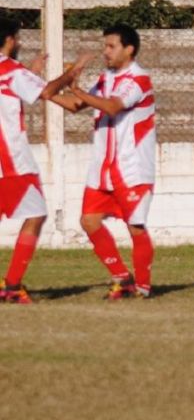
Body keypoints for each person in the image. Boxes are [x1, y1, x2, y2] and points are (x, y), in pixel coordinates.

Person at [57, 24, 156, 300]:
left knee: (135, 227)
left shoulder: (139, 80)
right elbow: (78, 105)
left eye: (111, 46)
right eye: (105, 46)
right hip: (103, 168)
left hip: (131, 168)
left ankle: (143, 288)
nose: (105, 52)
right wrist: (47, 92)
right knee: (89, 221)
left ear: (129, 49)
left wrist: (76, 89)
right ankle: (123, 279)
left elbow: (112, 106)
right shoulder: (106, 78)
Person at [0, 18, 91, 304]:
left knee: (34, 214)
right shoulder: (11, 69)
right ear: (10, 39)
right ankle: (12, 286)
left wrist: (33, 74)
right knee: (37, 215)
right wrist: (72, 72)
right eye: (17, 38)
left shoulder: (13, 73)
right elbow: (49, 92)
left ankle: (12, 285)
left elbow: (31, 91)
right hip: (11, 161)